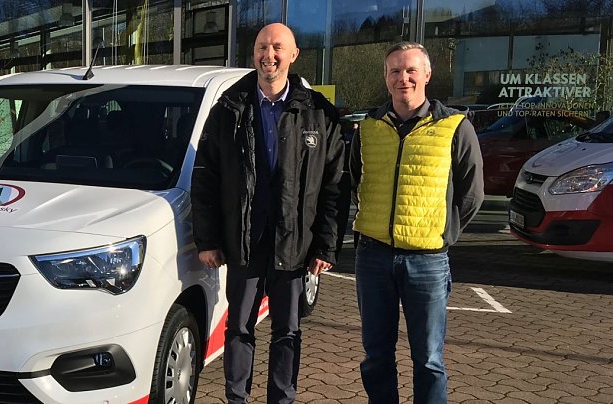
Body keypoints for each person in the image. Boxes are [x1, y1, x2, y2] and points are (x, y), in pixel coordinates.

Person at [191, 23, 347, 404]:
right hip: (245, 241)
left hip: (294, 244)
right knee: (239, 328)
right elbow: (205, 177)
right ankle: (237, 398)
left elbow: (336, 185)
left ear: (293, 56)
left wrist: (326, 245)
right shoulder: (229, 107)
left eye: (278, 47)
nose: (269, 55)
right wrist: (208, 239)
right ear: (254, 54)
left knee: (288, 331)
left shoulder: (319, 114)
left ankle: (282, 398)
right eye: (262, 47)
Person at [350, 41, 484, 404]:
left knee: (428, 359)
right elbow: (354, 181)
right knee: (376, 357)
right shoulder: (368, 128)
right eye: (395, 71)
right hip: (373, 258)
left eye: (410, 70)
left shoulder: (455, 127)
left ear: (427, 74)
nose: (402, 78)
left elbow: (472, 194)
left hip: (427, 261)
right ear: (386, 77)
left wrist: (443, 234)